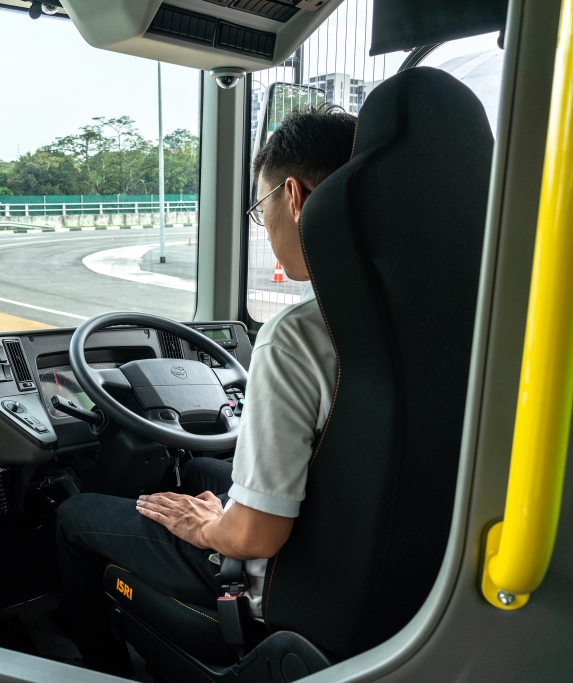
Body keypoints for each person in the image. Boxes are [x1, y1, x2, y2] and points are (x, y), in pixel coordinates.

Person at [55, 104, 357, 677]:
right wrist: (218, 508)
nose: (263, 227)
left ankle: (95, 665)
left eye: (259, 207)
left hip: (284, 588)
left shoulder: (299, 337)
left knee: (74, 514)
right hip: (365, 567)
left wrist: (208, 527)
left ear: (293, 197)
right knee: (196, 472)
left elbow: (256, 531)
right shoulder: (454, 319)